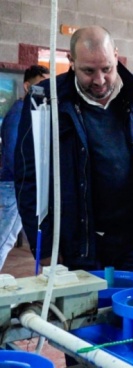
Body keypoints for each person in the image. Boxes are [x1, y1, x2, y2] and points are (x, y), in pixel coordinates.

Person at [15, 26, 133, 275]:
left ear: (116, 55)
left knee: (131, 311)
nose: (100, 80)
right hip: (77, 246)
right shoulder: (46, 100)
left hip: (132, 245)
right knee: (79, 313)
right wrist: (45, 247)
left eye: (107, 68)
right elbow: (28, 178)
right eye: (88, 71)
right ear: (71, 61)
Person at [0, 65, 49, 271]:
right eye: (41, 84)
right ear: (27, 86)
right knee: (4, 240)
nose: (45, 90)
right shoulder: (19, 114)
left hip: (15, 186)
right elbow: (12, 154)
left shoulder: (30, 112)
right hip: (14, 187)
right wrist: (26, 184)